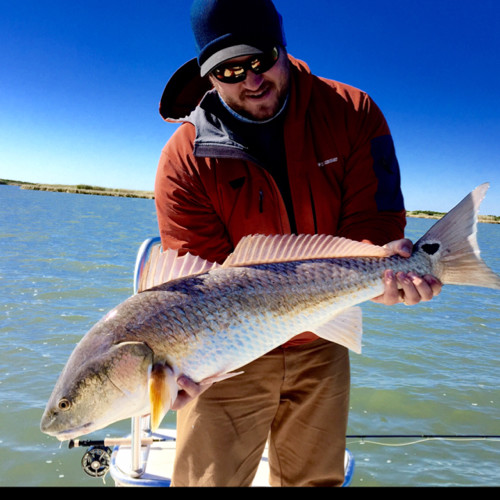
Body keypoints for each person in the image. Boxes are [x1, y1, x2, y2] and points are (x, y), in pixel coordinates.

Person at [154, 0, 441, 487]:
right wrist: (184, 364)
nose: (251, 80)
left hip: (322, 337)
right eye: (229, 71)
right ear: (207, 75)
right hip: (228, 354)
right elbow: (197, 282)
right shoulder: (184, 159)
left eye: (260, 60)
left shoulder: (352, 112)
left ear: (282, 45)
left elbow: (374, 221)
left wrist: (386, 273)